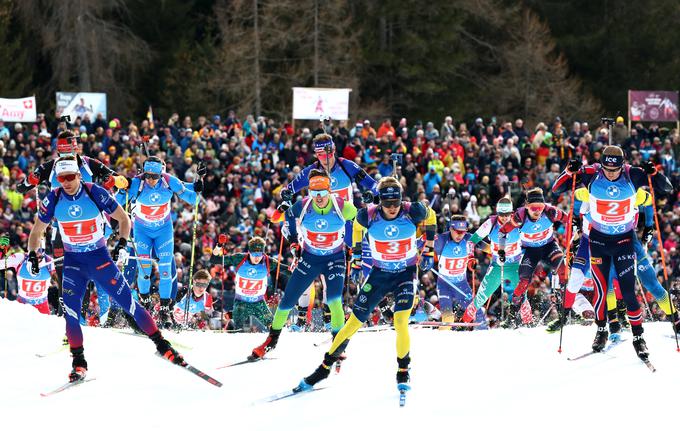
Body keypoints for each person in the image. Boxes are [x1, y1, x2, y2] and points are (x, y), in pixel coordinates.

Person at [28, 156, 182, 382]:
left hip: (99, 259)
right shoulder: (54, 197)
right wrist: (32, 254)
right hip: (73, 264)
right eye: (62, 178)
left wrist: (121, 243)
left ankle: (161, 344)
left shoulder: (94, 192)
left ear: (79, 176)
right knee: (71, 316)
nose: (67, 182)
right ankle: (78, 362)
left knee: (129, 303)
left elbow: (123, 218)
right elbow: (36, 231)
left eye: (70, 177)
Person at [295, 177, 433, 394]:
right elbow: (357, 227)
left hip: (405, 273)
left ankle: (403, 370)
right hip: (379, 274)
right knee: (353, 323)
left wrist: (431, 248)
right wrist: (357, 254)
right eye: (387, 205)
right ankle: (323, 369)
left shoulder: (412, 210)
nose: (392, 209)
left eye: (395, 204)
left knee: (400, 321)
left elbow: (431, 215)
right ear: (379, 202)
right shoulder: (367, 215)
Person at [552, 146, 673, 360]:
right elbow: (557, 189)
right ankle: (602, 330)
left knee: (628, 291)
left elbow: (666, 188)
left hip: (624, 240)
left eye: (614, 169)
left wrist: (654, 173)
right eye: (607, 169)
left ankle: (639, 337)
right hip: (598, 241)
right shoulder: (592, 173)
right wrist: (569, 171)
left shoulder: (632, 174)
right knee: (601, 290)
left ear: (622, 165)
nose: (610, 173)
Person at [249, 169, 357, 360]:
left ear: (329, 190)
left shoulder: (342, 206)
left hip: (335, 259)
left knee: (333, 300)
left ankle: (338, 343)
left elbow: (361, 221)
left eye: (322, 192)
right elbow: (287, 217)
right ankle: (271, 341)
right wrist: (293, 241)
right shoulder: (304, 205)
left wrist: (354, 246)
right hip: (310, 258)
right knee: (286, 302)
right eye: (314, 193)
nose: (318, 197)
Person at [281, 133, 376, 329]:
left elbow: (372, 184)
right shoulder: (311, 172)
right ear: (316, 154)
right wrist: (286, 195)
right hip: (318, 224)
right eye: (321, 155)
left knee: (363, 259)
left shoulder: (346, 166)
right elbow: (289, 189)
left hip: (345, 221)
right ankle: (302, 320)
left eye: (329, 153)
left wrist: (371, 193)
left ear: (333, 150)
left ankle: (374, 308)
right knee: (309, 267)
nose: (326, 159)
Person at [117, 155, 202, 328]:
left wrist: (199, 186)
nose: (150, 180)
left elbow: (193, 199)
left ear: (161, 174)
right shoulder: (136, 183)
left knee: (165, 270)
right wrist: (121, 188)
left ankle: (164, 311)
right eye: (147, 176)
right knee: (145, 272)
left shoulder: (169, 181)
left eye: (154, 177)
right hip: (142, 231)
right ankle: (146, 305)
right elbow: (116, 203)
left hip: (163, 231)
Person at [497, 188, 569, 327]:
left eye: (540, 207)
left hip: (549, 247)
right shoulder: (519, 216)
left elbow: (569, 219)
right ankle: (511, 317)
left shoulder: (550, 211)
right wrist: (501, 250)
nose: (537, 211)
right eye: (533, 208)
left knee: (562, 270)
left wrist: (575, 231)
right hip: (530, 251)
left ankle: (563, 310)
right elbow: (502, 232)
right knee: (523, 281)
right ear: (526, 206)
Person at [462, 198, 522, 324]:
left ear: (512, 212)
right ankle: (463, 322)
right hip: (496, 266)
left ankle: (528, 323)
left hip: (515, 266)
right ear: (497, 212)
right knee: (480, 298)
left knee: (522, 297)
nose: (505, 218)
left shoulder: (519, 221)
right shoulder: (491, 223)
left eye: (507, 215)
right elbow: (471, 242)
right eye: (501, 215)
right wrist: (471, 257)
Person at [212, 236, 288, 330]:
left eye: (259, 254)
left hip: (259, 303)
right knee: (237, 329)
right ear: (249, 252)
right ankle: (231, 315)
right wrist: (219, 245)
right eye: (254, 254)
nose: (257, 258)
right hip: (241, 302)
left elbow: (288, 271)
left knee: (274, 328)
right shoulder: (240, 258)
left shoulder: (269, 262)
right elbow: (214, 260)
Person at [433, 215, 481, 325]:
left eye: (462, 231)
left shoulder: (469, 238)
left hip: (461, 284)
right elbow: (420, 244)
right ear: (450, 228)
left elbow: (488, 247)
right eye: (457, 231)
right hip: (444, 284)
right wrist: (422, 256)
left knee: (477, 315)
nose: (460, 235)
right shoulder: (441, 240)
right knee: (448, 319)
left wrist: (500, 251)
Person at [0, 237, 57, 315]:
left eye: (39, 254)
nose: (35, 258)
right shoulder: (20, 258)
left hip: (42, 306)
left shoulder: (49, 261)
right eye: (33, 253)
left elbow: (60, 279)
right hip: (23, 305)